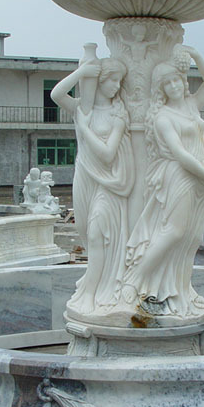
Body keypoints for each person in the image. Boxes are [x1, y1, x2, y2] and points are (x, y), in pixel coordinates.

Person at [122, 45, 204, 319]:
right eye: (166, 83)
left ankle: (177, 289)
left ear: (183, 81)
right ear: (161, 88)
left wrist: (195, 55)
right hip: (179, 175)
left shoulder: (192, 104)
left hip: (200, 177)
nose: (173, 86)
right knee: (174, 231)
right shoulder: (162, 117)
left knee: (193, 237)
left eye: (176, 80)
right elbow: (181, 154)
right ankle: (134, 280)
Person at [51, 56, 134, 316]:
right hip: (85, 178)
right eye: (111, 80)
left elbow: (109, 154)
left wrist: (85, 131)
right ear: (98, 81)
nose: (115, 86)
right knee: (86, 233)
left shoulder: (118, 113)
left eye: (119, 81)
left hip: (110, 183)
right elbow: (56, 94)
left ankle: (90, 293)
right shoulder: (82, 108)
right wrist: (81, 72)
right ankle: (96, 284)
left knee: (98, 233)